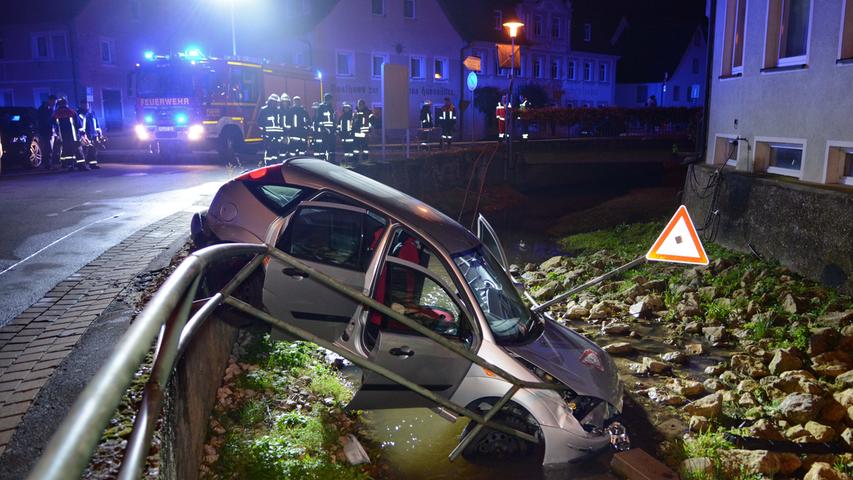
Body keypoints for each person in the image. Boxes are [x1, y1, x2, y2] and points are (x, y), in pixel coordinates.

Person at [52, 97, 85, 170]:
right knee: (78, 150)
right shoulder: (71, 112)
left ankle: (69, 165)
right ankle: (81, 166)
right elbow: (78, 124)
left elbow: (54, 126)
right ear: (66, 104)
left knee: (67, 152)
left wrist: (57, 135)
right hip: (73, 136)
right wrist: (81, 133)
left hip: (63, 137)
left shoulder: (56, 114)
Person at [257, 93, 282, 165]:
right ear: (269, 101)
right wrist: (264, 133)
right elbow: (259, 122)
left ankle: (274, 166)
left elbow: (280, 124)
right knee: (268, 152)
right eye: (273, 101)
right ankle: (267, 165)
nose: (274, 103)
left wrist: (280, 135)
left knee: (275, 152)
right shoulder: (264, 110)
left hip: (276, 136)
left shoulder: (278, 111)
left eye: (275, 102)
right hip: (267, 136)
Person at [77, 99, 102, 169]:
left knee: (93, 150)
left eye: (87, 104)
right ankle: (83, 165)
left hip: (93, 134)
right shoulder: (79, 114)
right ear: (81, 105)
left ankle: (93, 164)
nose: (86, 106)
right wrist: (82, 135)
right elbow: (79, 125)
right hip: (85, 135)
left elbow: (96, 123)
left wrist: (99, 132)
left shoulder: (92, 113)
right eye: (84, 104)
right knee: (85, 150)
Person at [314, 93, 336, 162]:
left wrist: (334, 129)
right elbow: (319, 120)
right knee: (323, 146)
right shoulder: (321, 108)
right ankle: (322, 160)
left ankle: (332, 160)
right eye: (330, 100)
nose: (331, 101)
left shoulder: (331, 108)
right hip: (324, 131)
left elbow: (333, 120)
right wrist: (324, 128)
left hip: (331, 131)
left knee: (332, 146)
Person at [37, 95, 57, 170]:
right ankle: (48, 164)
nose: (54, 104)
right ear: (50, 101)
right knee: (48, 148)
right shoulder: (44, 109)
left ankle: (50, 163)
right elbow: (46, 121)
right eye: (54, 102)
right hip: (46, 132)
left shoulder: (50, 108)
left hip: (50, 131)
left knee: (50, 148)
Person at [353, 99, 373, 163]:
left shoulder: (368, 112)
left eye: (361, 104)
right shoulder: (355, 112)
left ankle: (365, 160)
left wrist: (369, 132)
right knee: (356, 149)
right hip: (357, 134)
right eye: (359, 104)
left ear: (364, 105)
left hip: (365, 134)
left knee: (365, 149)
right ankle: (355, 161)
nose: (360, 106)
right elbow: (352, 122)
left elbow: (372, 123)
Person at [338, 102, 355, 166]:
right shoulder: (342, 117)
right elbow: (339, 126)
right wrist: (339, 133)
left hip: (350, 137)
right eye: (345, 108)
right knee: (345, 150)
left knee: (350, 150)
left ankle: (350, 162)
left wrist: (351, 133)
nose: (346, 109)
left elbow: (354, 126)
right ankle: (346, 162)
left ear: (349, 108)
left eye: (347, 108)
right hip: (344, 136)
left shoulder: (352, 116)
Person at [279, 93, 292, 159]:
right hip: (281, 134)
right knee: (282, 151)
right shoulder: (278, 111)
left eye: (286, 102)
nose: (285, 104)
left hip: (290, 133)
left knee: (291, 151)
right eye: (283, 102)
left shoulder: (291, 111)